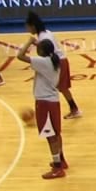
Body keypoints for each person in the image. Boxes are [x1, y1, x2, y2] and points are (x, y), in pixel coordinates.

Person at [17, 12, 80, 118]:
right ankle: (74, 109)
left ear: (33, 26)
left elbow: (47, 51)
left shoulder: (44, 38)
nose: (27, 29)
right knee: (63, 88)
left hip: (58, 61)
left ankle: (72, 110)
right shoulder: (46, 33)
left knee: (59, 88)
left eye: (27, 26)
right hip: (60, 60)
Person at [27, 38, 68, 180]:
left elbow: (20, 56)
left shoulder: (43, 62)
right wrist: (38, 44)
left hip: (45, 103)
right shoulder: (53, 60)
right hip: (53, 102)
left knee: (50, 136)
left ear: (42, 51)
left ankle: (57, 168)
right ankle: (61, 160)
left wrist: (29, 43)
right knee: (56, 134)